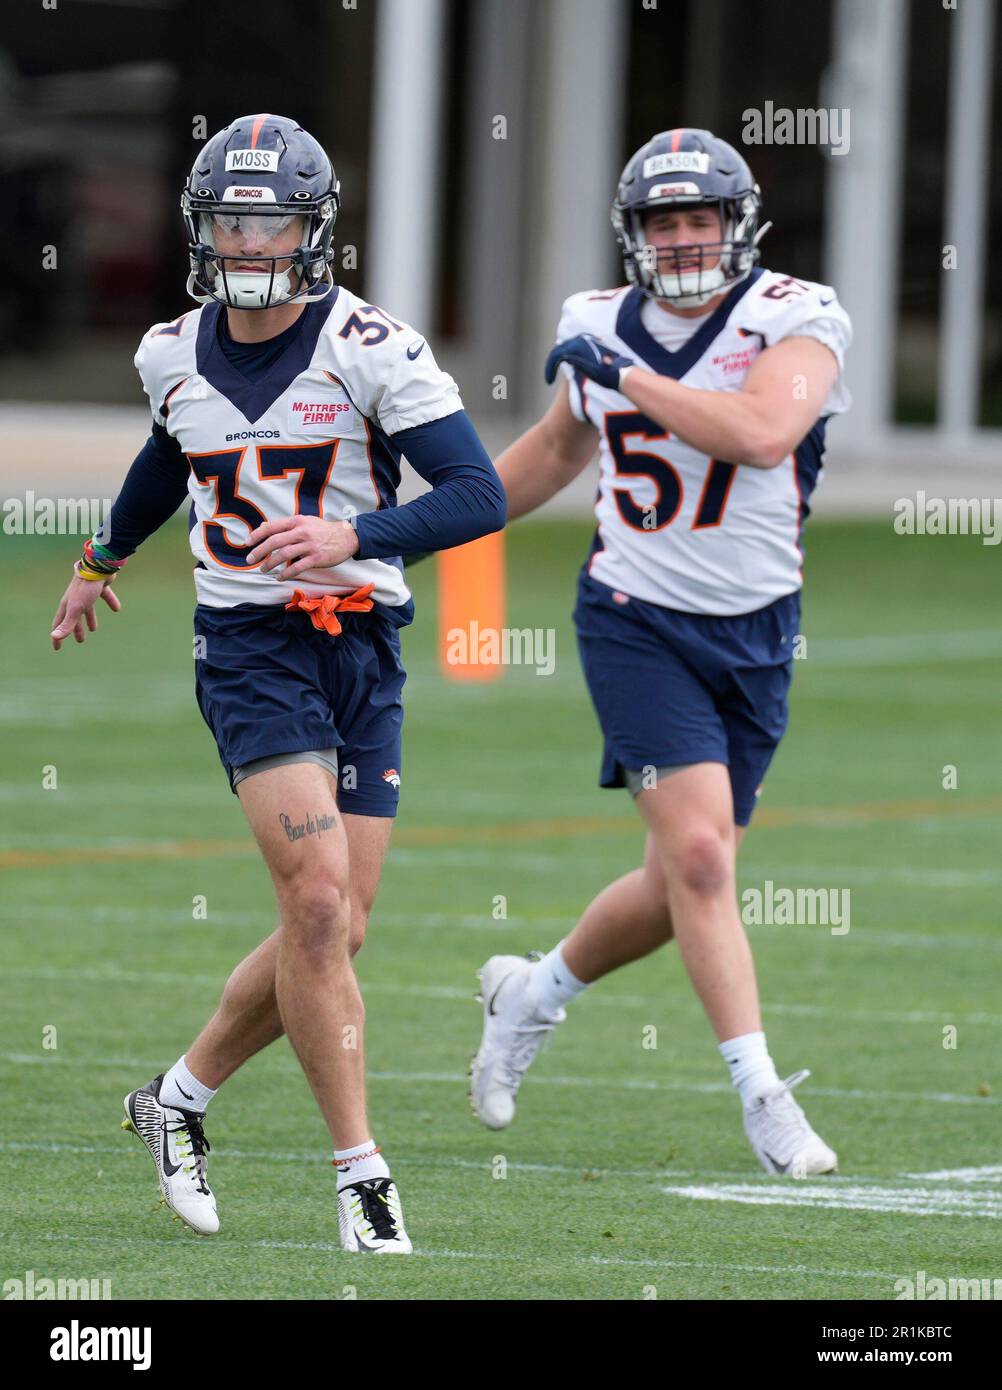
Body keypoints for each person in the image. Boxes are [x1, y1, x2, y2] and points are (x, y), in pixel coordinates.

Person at [50, 113, 505, 1252]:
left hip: (362, 646)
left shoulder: (372, 346)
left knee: (338, 927)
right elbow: (175, 451)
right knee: (311, 900)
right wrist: (100, 558)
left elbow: (476, 494)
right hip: (250, 651)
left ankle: (180, 1098)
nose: (250, 242)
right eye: (230, 220)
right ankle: (361, 1174)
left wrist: (352, 537)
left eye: (272, 220)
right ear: (201, 229)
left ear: (315, 229)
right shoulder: (169, 349)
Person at [471, 128, 850, 1177]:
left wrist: (630, 377)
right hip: (633, 615)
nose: (683, 240)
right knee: (698, 856)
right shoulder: (596, 323)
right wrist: (412, 535)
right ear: (632, 234)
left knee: (678, 877)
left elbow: (764, 434)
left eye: (700, 218)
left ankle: (528, 995)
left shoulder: (798, 316)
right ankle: (762, 1093)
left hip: (759, 628)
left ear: (739, 225)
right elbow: (556, 448)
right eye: (661, 221)